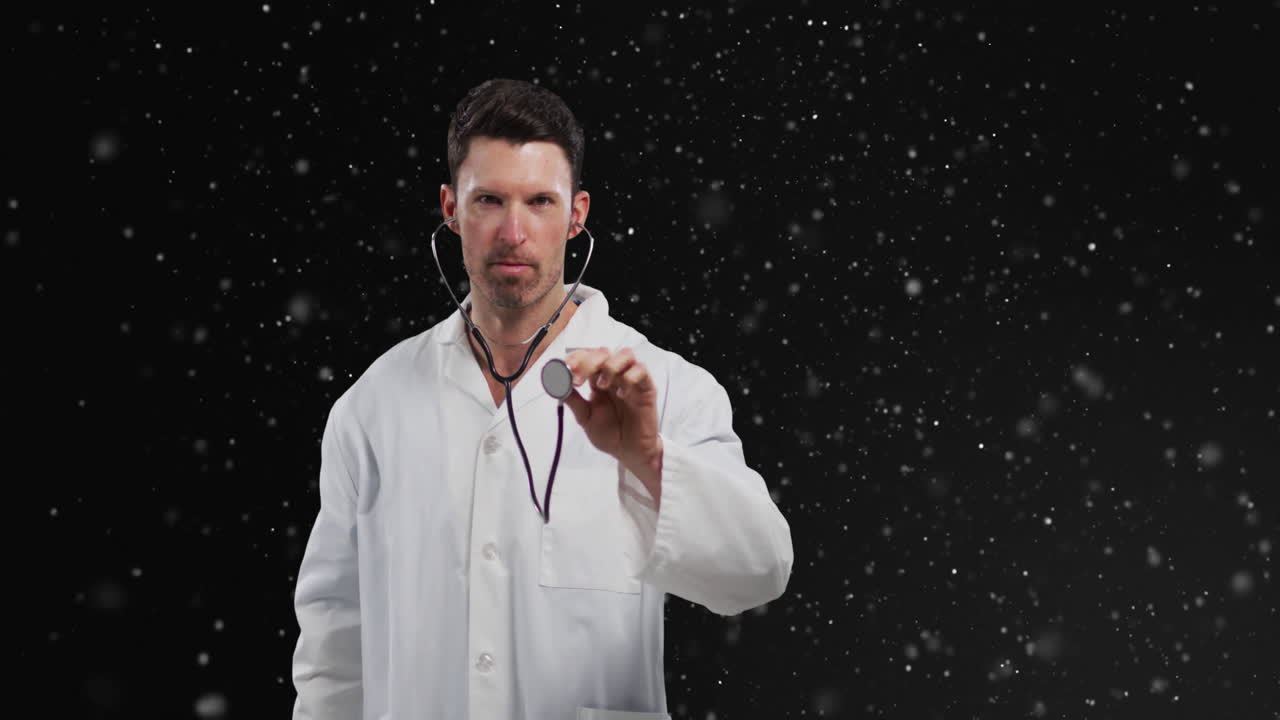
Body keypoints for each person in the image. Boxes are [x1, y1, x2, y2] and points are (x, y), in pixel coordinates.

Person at [290, 77, 794, 720]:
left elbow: (760, 570)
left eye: (540, 202)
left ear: (577, 214)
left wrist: (647, 456)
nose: (513, 231)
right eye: (490, 200)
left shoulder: (665, 389)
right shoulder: (373, 409)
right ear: (450, 208)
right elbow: (335, 647)